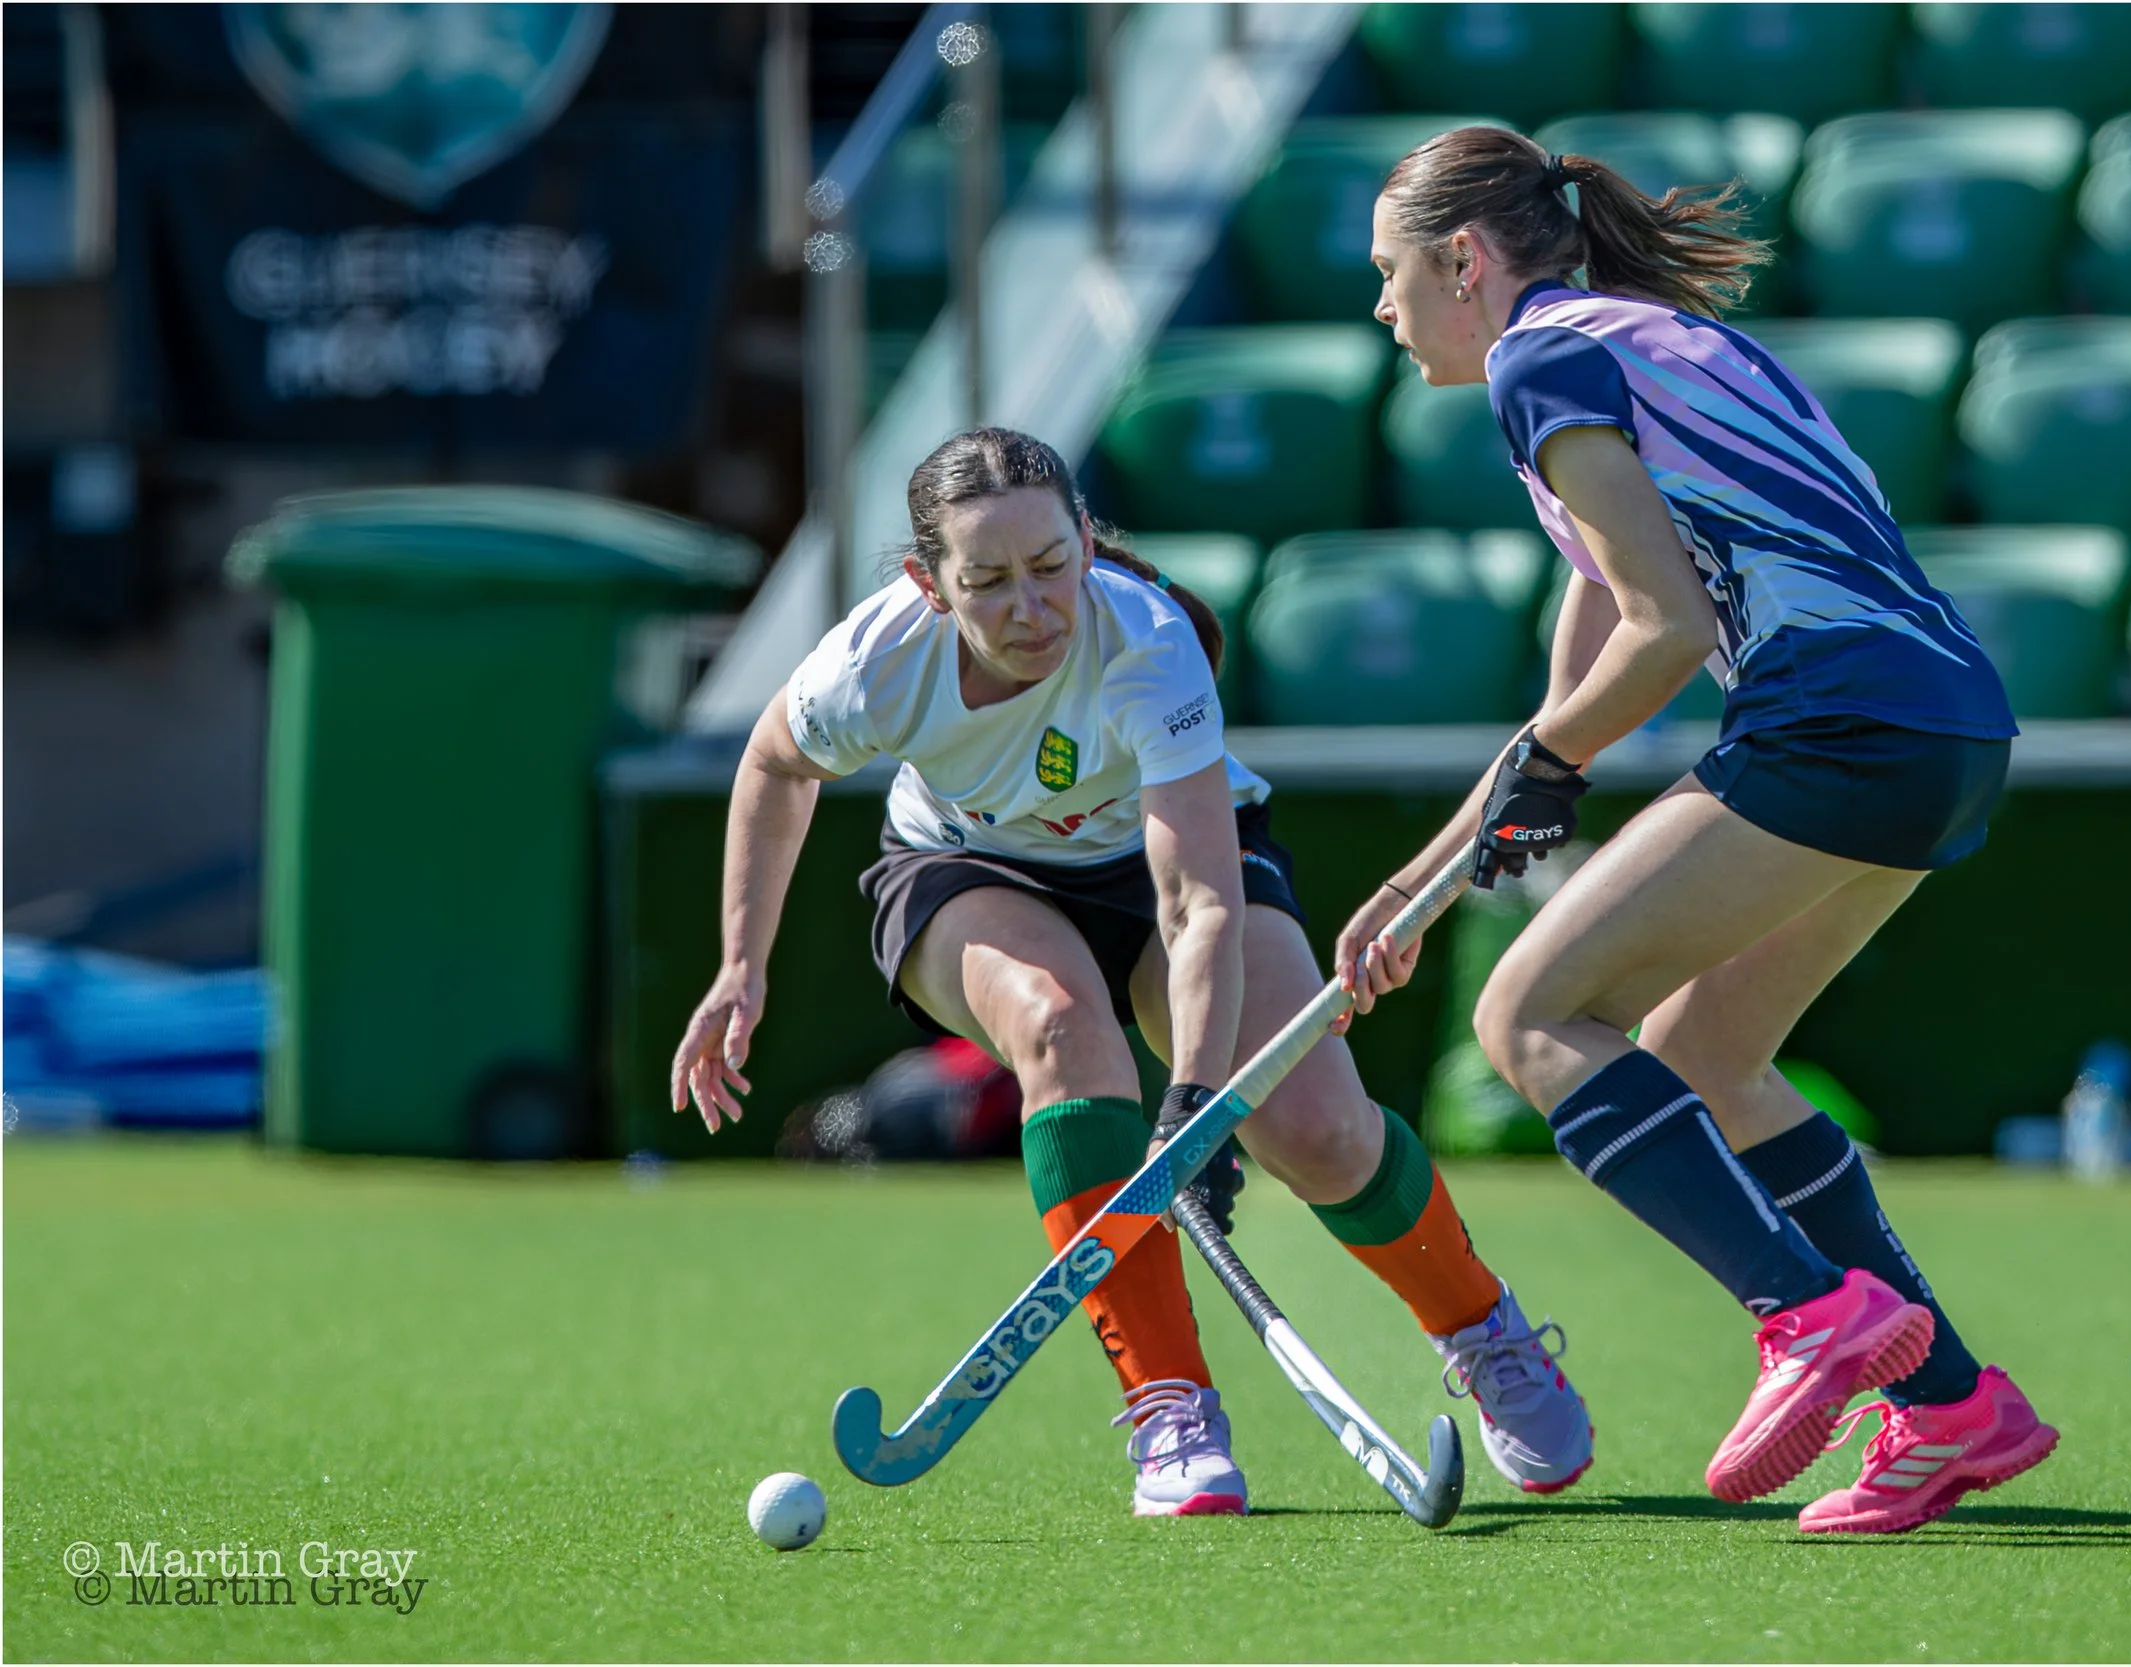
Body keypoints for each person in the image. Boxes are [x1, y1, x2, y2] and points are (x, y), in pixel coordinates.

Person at [1333, 127, 2058, 1535]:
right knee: (1702, 1055)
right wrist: (1416, 884)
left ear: (1465, 262)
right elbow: (1580, 676)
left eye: (1391, 273)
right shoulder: (1647, 338)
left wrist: (1552, 762)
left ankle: (1805, 1310)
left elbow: (1663, 632)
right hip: (1949, 724)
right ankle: (1956, 1404)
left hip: (1838, 717)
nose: (1382, 308)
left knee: (1531, 1015)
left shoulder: (1545, 364)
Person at [671, 426, 1593, 1518]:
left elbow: (1198, 899)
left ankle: (1479, 1326)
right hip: (967, 868)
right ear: (930, 583)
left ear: (1084, 543)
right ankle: (1171, 1404)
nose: (1032, 607)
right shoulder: (875, 661)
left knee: (1314, 1126)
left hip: (1167, 869)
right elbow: (775, 762)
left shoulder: (1147, 642)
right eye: (989, 582)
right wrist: (740, 962)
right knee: (1062, 1029)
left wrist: (1198, 1106)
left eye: (1054, 566)